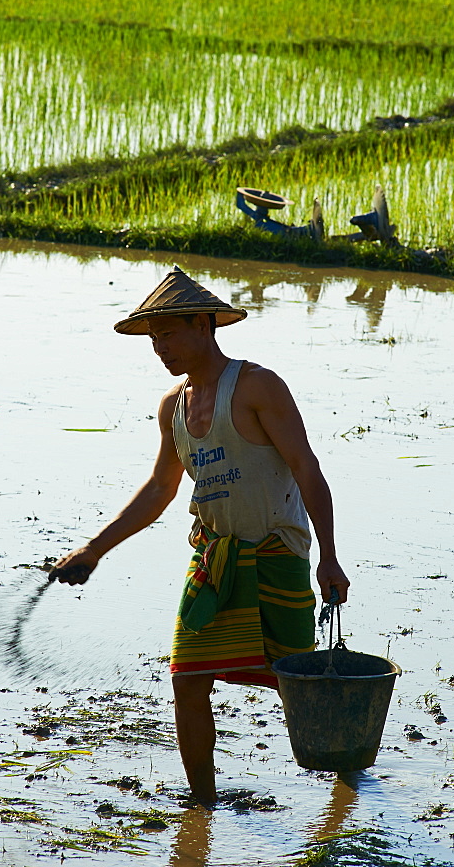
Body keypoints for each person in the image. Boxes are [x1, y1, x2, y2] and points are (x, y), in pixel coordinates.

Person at [51, 266, 350, 806]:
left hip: (275, 552)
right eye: (153, 338)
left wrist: (329, 557)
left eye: (169, 332)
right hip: (214, 557)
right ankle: (202, 808)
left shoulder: (258, 385)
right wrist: (95, 549)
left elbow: (307, 468)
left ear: (204, 324)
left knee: (296, 683)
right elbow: (160, 489)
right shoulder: (173, 407)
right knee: (187, 679)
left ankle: (345, 782)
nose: (160, 347)